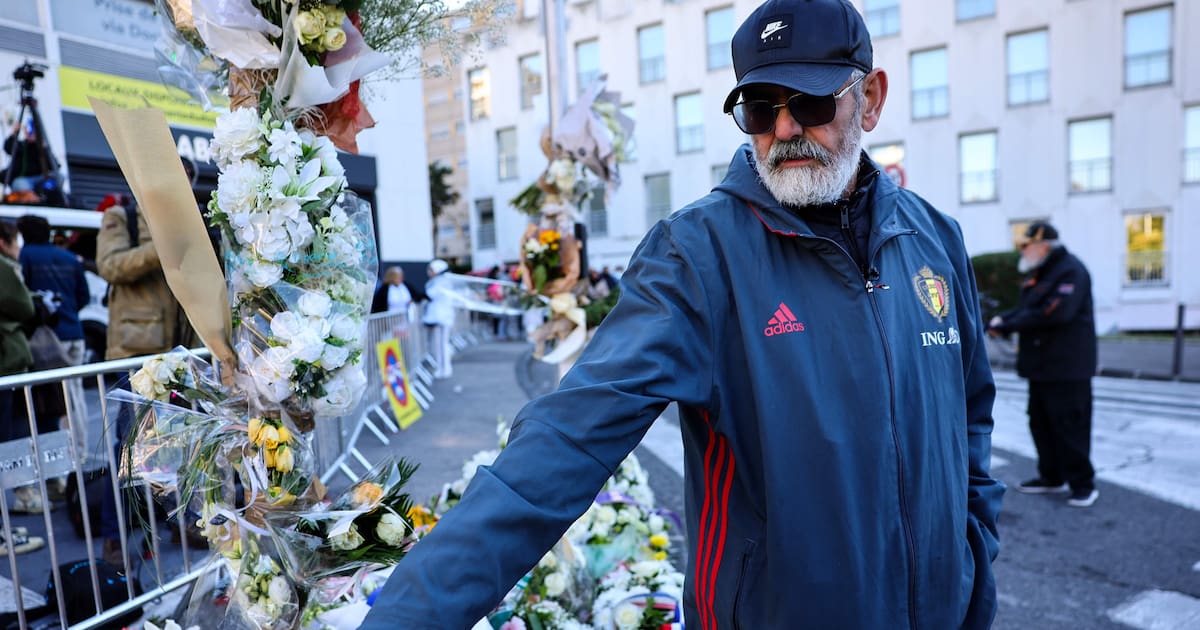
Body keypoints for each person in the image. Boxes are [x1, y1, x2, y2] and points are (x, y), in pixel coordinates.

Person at [361, 0, 1003, 627]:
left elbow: (971, 416)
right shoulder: (696, 254)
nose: (782, 130)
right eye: (759, 108)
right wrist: (408, 616)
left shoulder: (935, 239)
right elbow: (564, 440)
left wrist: (976, 555)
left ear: (873, 98)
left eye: (809, 103)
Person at [95, 193, 197, 564]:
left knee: (177, 442)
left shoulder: (182, 217)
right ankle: (113, 537)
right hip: (134, 355)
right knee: (126, 448)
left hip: (177, 352)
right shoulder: (121, 216)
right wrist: (162, 247)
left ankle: (178, 520)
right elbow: (109, 265)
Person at [987, 222, 1098, 507]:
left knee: (1070, 426)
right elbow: (1028, 310)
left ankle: (1082, 483)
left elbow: (1055, 313)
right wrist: (1003, 321)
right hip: (1043, 367)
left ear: (1044, 245)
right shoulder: (1043, 272)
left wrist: (1009, 323)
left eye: (1026, 245)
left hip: (1067, 368)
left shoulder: (1071, 270)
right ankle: (1051, 476)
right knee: (1041, 423)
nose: (1022, 250)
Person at [17, 214, 89, 503]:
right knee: (75, 400)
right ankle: (80, 459)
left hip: (45, 341)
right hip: (75, 333)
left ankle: (58, 472)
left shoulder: (25, 257)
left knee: (48, 407)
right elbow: (82, 296)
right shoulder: (69, 259)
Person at [421, 259, 456, 379]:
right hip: (439, 317)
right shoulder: (438, 282)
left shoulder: (441, 283)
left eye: (432, 270)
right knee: (439, 344)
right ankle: (442, 367)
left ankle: (445, 368)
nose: (429, 272)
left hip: (441, 317)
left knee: (442, 344)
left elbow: (431, 295)